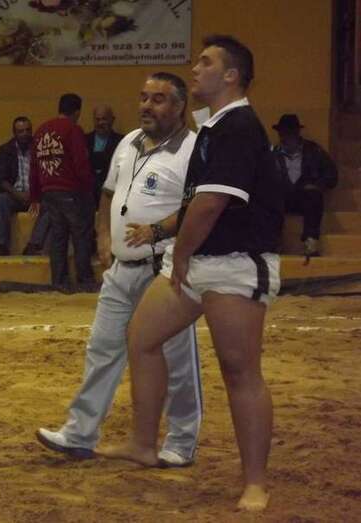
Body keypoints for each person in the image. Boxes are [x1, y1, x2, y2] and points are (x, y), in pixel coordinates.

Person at [97, 36, 284, 513]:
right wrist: (177, 248)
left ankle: (256, 482)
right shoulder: (214, 126)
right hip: (198, 261)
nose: (194, 68)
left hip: (234, 264)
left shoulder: (239, 126)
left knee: (240, 371)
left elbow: (211, 202)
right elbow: (196, 202)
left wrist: (178, 254)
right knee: (142, 337)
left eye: (205, 62)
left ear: (230, 76)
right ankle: (143, 443)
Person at [36, 73, 202, 467]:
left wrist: (157, 231)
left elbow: (198, 209)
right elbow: (108, 193)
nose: (146, 105)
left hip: (164, 270)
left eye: (158, 99)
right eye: (143, 97)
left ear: (179, 106)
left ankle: (181, 442)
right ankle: (80, 433)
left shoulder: (193, 150)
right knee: (102, 348)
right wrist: (102, 236)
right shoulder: (127, 142)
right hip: (121, 269)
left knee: (176, 357)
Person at [29, 93, 96, 291]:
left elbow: (34, 167)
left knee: (58, 236)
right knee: (80, 234)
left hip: (49, 191)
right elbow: (80, 163)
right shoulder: (73, 129)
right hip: (71, 190)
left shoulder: (41, 130)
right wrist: (89, 189)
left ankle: (59, 281)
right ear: (77, 112)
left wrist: (35, 196)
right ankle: (84, 280)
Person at [272, 113, 338, 257]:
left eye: (290, 132)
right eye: (283, 133)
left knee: (314, 196)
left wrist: (317, 186)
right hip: (282, 198)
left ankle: (311, 242)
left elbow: (332, 175)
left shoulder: (314, 151)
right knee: (267, 199)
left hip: (305, 196)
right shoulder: (272, 155)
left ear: (297, 133)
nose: (286, 137)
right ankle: (273, 242)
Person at [0, 116, 50, 255]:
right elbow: (0, 178)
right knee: (2, 200)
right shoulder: (5, 150)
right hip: (14, 195)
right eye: (20, 131)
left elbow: (47, 174)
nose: (25, 134)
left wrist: (35, 194)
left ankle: (34, 245)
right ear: (14, 133)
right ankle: (2, 245)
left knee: (52, 204)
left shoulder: (41, 148)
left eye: (27, 130)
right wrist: (18, 194)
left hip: (36, 196)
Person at [85, 104, 124, 208]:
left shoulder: (121, 142)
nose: (100, 123)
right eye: (97, 119)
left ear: (112, 120)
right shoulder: (84, 140)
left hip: (110, 193)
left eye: (104, 119)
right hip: (88, 195)